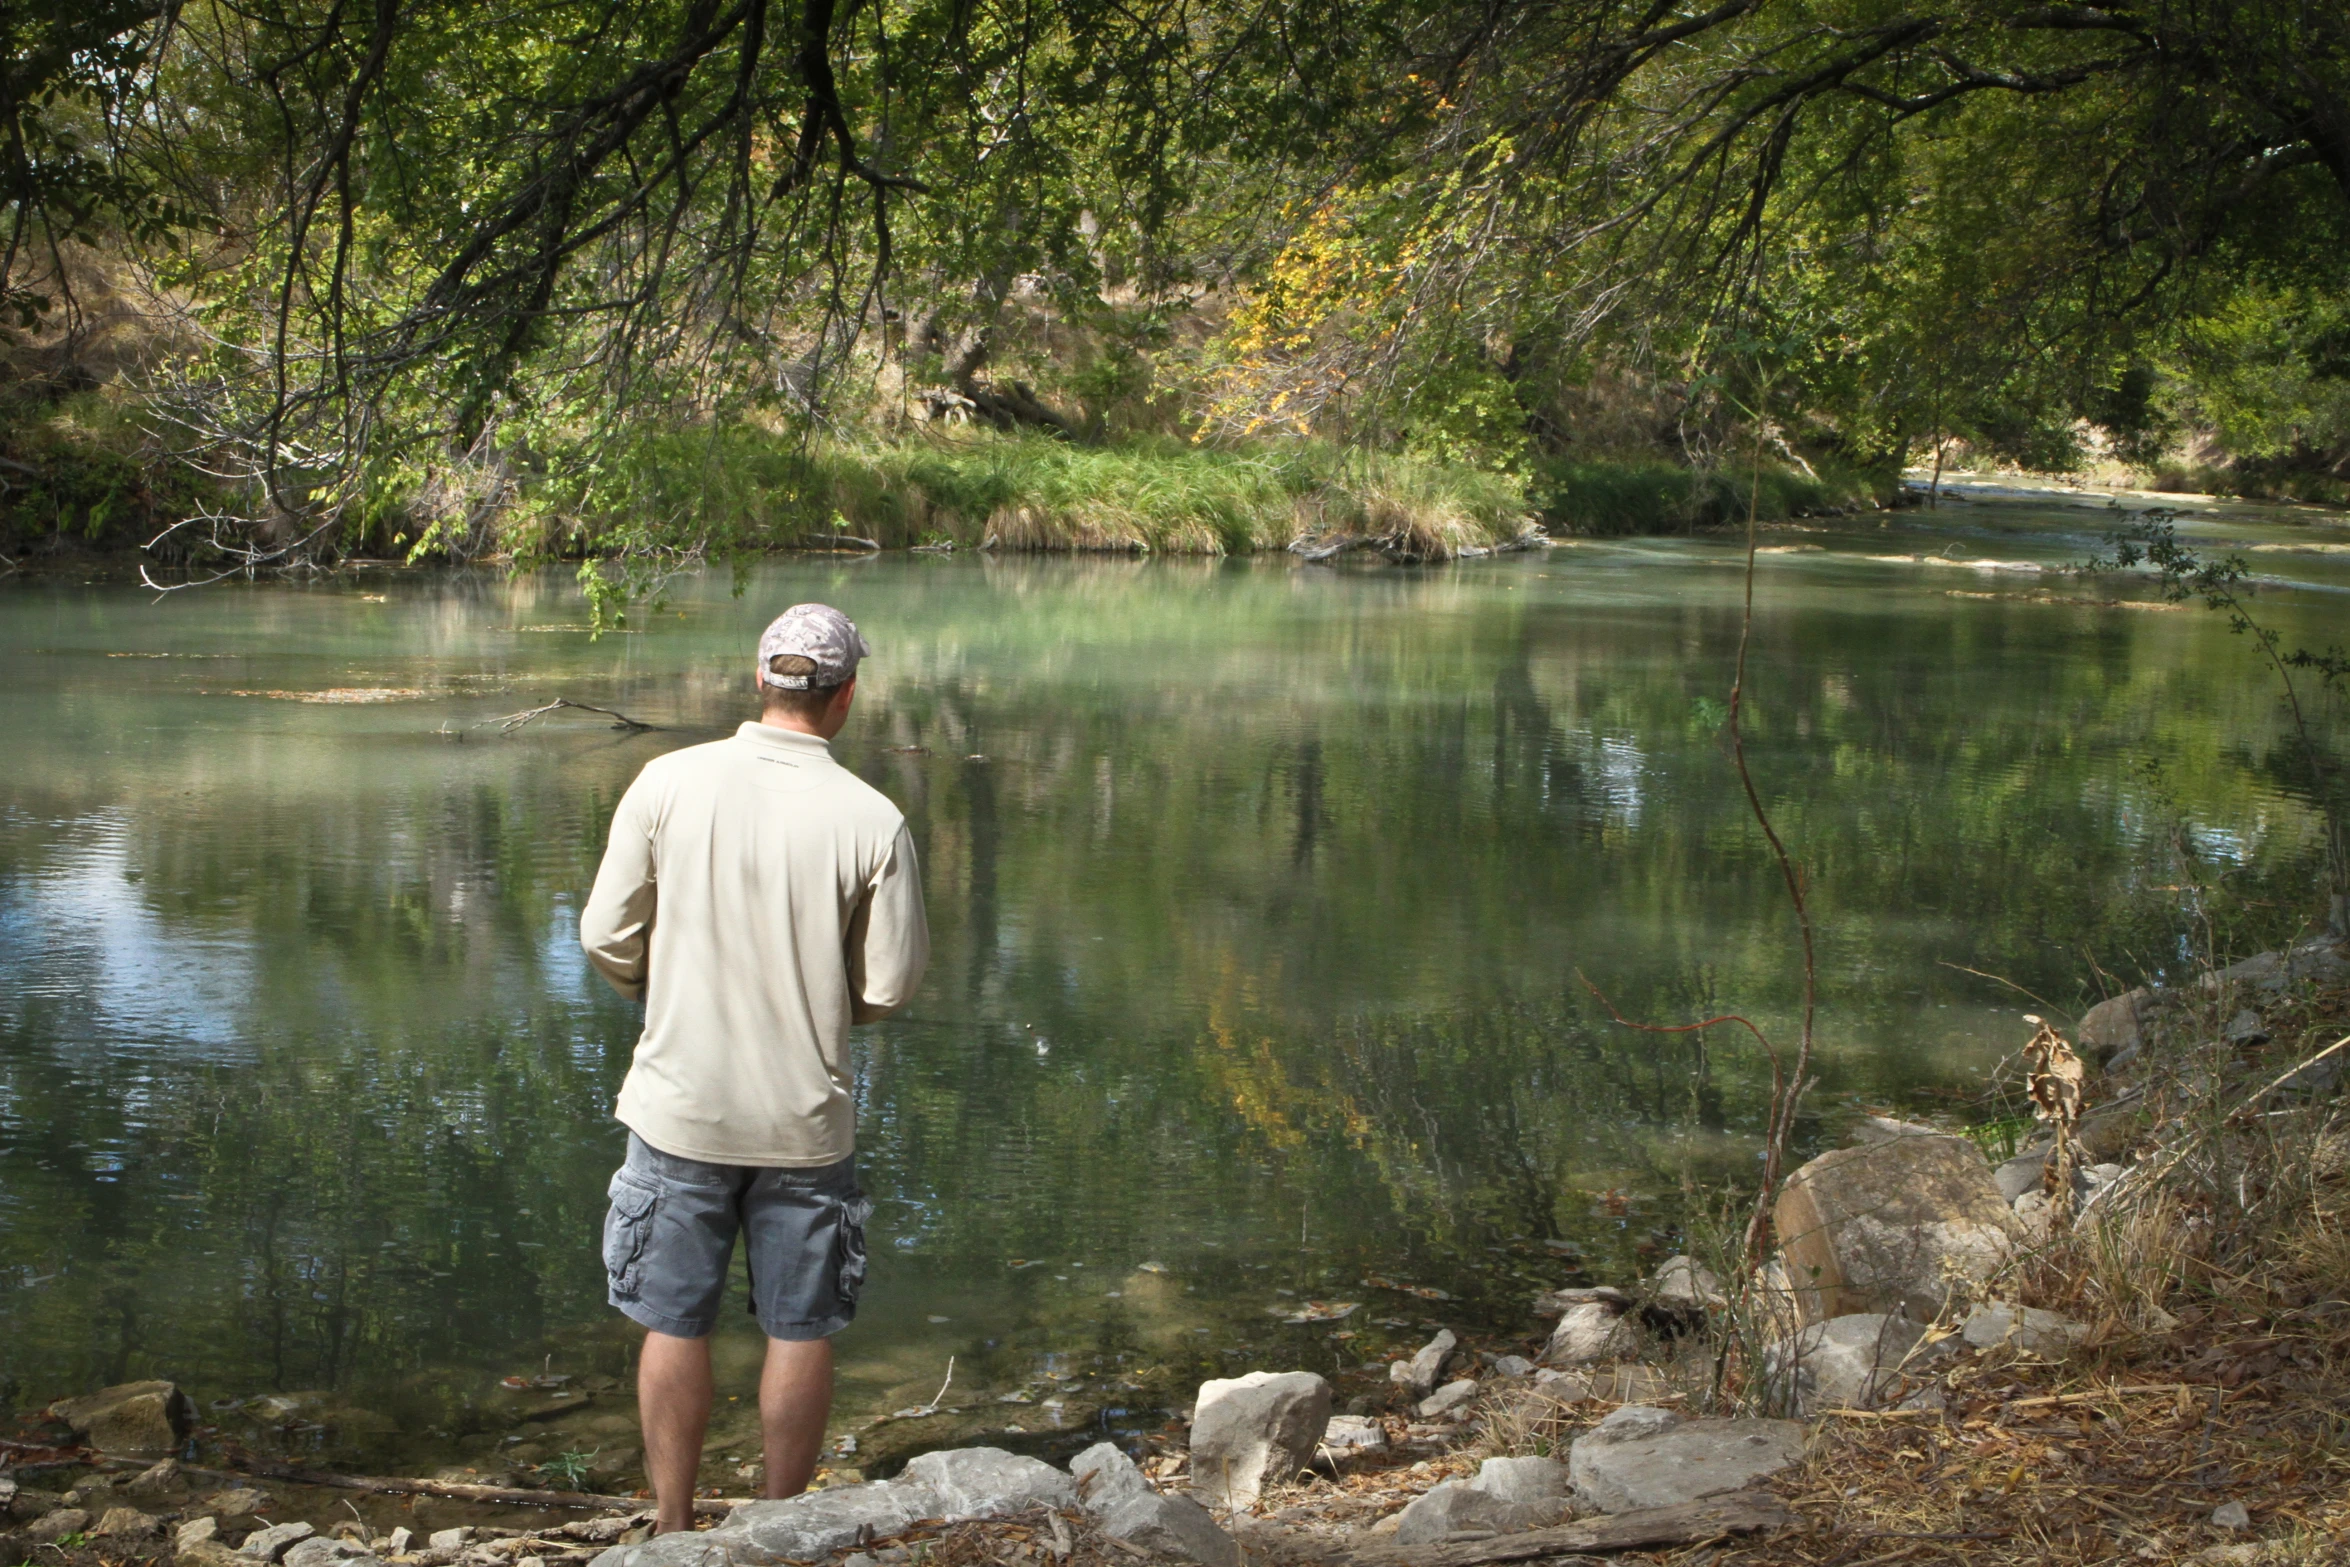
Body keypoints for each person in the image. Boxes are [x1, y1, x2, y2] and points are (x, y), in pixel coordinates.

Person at [579, 602, 929, 1533]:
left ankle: (671, 1527)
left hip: (679, 1108)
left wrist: (661, 988)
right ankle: (779, 1531)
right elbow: (889, 986)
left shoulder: (666, 780)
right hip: (804, 1123)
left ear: (759, 679)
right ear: (847, 694)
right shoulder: (874, 818)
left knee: (672, 1316)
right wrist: (813, 994)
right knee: (799, 1326)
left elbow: (605, 933)